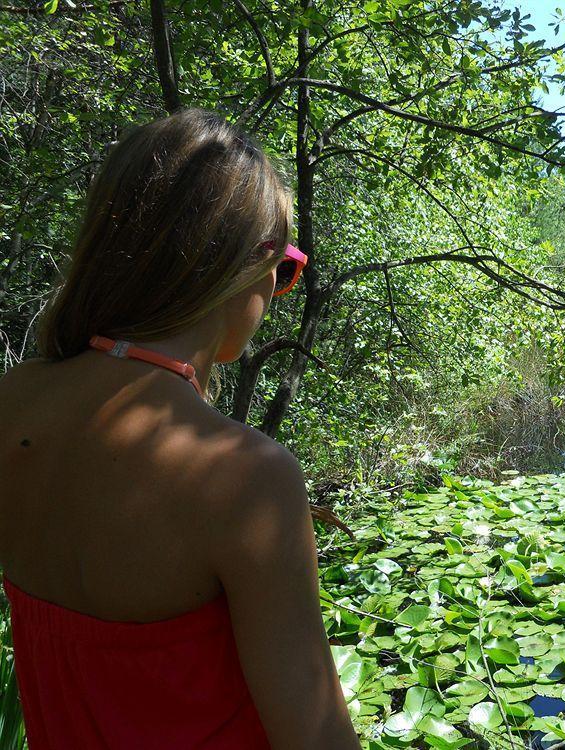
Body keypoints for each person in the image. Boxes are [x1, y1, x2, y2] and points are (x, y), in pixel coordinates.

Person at [0, 107, 362, 749]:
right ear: (241, 265)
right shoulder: (245, 476)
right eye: (285, 269)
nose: (279, 292)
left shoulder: (12, 401)